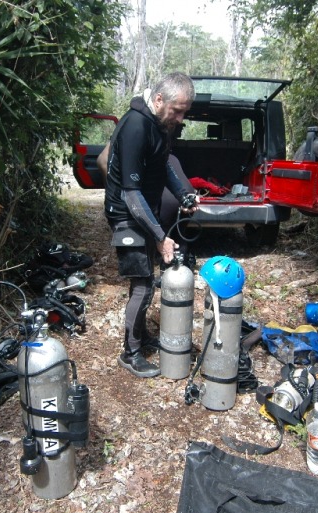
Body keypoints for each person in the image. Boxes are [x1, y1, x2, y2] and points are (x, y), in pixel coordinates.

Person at [104, 72, 197, 378]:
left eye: (185, 111)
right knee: (142, 285)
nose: (181, 118)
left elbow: (165, 165)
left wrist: (184, 194)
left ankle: (141, 337)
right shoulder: (135, 126)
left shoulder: (162, 124)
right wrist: (159, 236)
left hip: (145, 211)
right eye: (177, 110)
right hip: (126, 212)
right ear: (159, 100)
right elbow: (130, 194)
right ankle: (129, 353)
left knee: (147, 279)